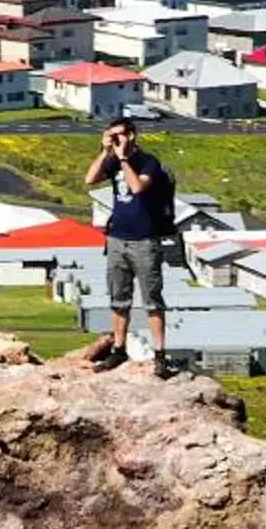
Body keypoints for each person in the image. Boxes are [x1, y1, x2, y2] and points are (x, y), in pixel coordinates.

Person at [81, 118, 174, 378]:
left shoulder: (149, 162)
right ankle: (119, 349)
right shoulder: (112, 160)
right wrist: (105, 151)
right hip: (117, 239)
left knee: (152, 300)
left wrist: (123, 159)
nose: (117, 140)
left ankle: (160, 354)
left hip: (145, 240)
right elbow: (90, 179)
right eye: (113, 136)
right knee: (118, 298)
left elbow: (137, 187)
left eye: (120, 135)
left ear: (132, 135)